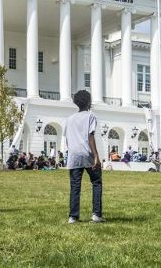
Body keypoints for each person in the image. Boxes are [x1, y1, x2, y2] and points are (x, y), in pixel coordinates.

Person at [64, 90, 104, 223]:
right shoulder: (91, 116)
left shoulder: (69, 119)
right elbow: (90, 136)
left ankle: (73, 217)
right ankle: (96, 215)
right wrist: (96, 156)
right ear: (88, 102)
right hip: (87, 153)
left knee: (75, 186)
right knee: (96, 182)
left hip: (74, 155)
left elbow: (67, 140)